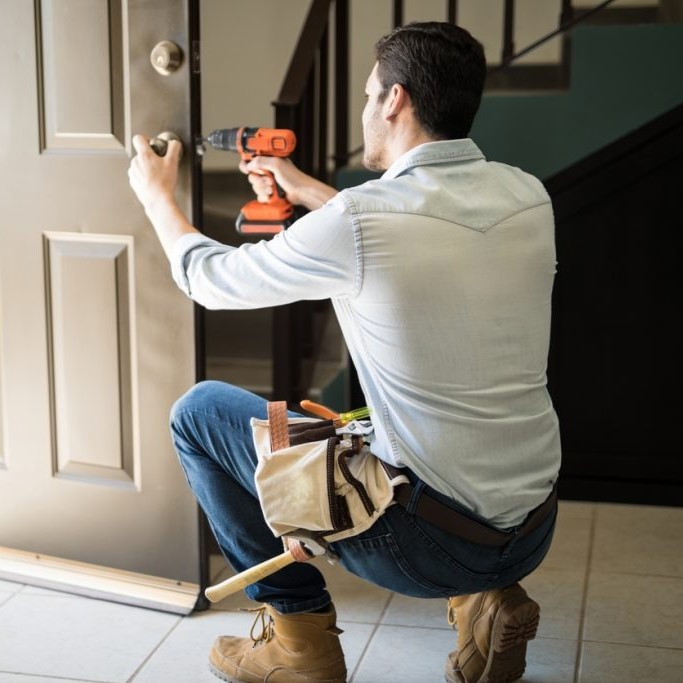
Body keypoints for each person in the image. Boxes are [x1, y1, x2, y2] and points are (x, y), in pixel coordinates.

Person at [128, 21, 561, 683]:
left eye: (367, 94)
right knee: (363, 419)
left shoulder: (360, 219)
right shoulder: (527, 194)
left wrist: (158, 197)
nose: (364, 107)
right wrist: (305, 191)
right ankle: (487, 597)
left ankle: (297, 641)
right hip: (530, 526)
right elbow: (408, 242)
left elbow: (208, 280)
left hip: (423, 542)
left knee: (200, 410)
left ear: (395, 101)